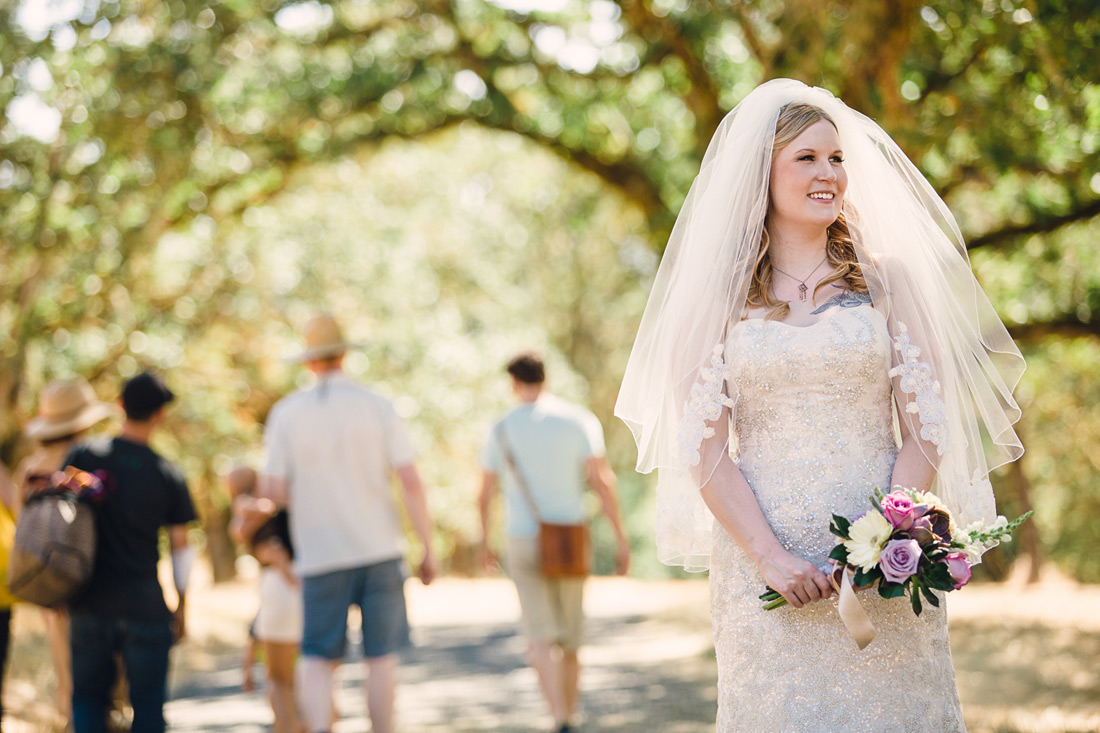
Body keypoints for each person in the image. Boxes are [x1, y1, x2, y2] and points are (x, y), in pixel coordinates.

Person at [615, 79, 1025, 731]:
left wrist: (883, 540)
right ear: (763, 174)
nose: (828, 173)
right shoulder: (714, 296)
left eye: (836, 159)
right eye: (806, 158)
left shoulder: (891, 279)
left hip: (880, 567)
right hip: (761, 558)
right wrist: (769, 557)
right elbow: (705, 448)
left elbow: (927, 432)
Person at [259, 313, 437, 733]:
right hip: (380, 548)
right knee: (381, 658)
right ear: (343, 355)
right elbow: (410, 480)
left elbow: (274, 492)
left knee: (318, 656)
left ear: (308, 361)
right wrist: (427, 546)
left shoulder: (287, 414)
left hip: (320, 555)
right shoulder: (377, 405)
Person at [478, 353, 630, 733]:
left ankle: (559, 717)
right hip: (569, 538)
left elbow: (484, 493)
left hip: (523, 539)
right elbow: (602, 482)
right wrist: (619, 537)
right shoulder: (578, 420)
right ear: (546, 378)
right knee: (572, 636)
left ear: (513, 383)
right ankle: (571, 715)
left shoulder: (501, 428)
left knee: (539, 636)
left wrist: (485, 542)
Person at [65, 371, 197, 733]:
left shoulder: (85, 456)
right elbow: (181, 548)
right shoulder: (167, 473)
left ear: (120, 406)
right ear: (159, 415)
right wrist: (182, 606)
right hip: (145, 605)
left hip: (89, 600)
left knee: (88, 701)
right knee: (149, 708)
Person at [12, 379, 116, 732]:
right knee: (106, 684)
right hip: (96, 583)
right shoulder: (93, 460)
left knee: (68, 680)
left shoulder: (29, 470)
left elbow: (23, 528)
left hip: (52, 585)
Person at [228, 465, 304, 733]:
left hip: (279, 586)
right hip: (292, 584)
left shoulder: (251, 511)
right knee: (290, 673)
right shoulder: (260, 508)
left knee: (279, 677)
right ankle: (292, 722)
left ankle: (289, 724)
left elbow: (242, 532)